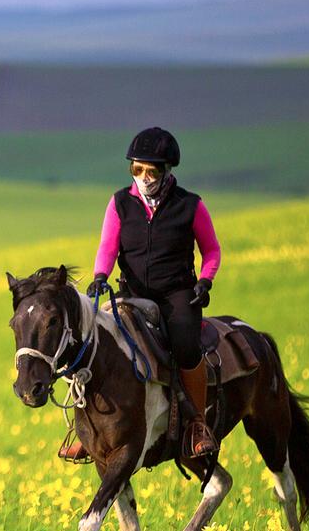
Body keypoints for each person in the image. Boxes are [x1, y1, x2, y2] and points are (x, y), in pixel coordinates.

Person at [63, 126, 222, 462]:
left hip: (177, 295)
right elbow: (108, 245)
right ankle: (85, 429)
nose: (144, 177)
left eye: (152, 171)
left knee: (185, 346)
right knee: (93, 338)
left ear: (167, 171)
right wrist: (100, 276)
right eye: (137, 169)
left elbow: (212, 250)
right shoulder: (120, 203)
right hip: (131, 294)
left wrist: (205, 281)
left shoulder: (190, 206)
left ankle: (196, 423)